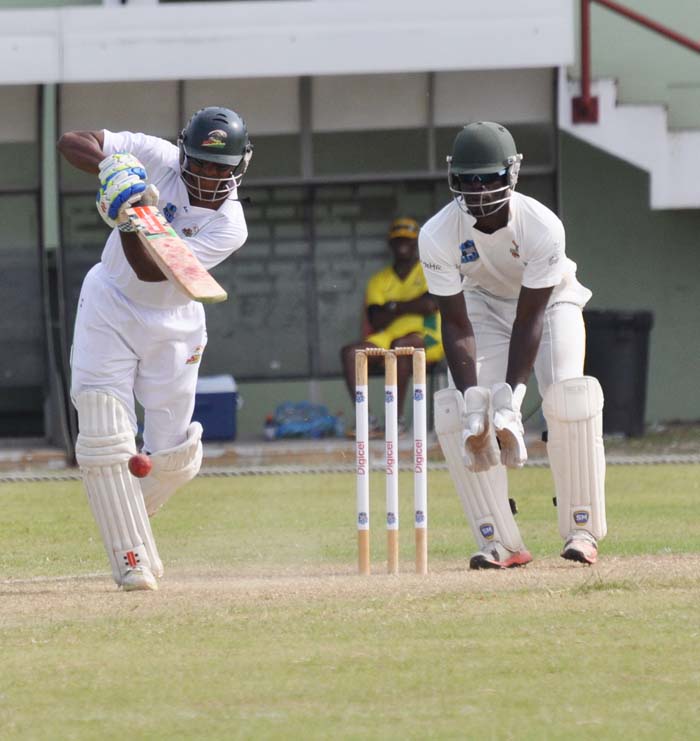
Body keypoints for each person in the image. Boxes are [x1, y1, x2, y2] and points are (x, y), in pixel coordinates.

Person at [57, 106, 252, 591]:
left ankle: (124, 513)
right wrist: (112, 170)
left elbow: (153, 270)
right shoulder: (158, 156)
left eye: (221, 168)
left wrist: (128, 216)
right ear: (183, 153)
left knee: (172, 458)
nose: (209, 176)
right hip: (110, 303)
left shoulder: (231, 224)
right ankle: (131, 560)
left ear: (239, 167)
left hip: (176, 320)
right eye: (201, 165)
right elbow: (71, 140)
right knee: (104, 432)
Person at [420, 121, 606, 569]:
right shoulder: (437, 234)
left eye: (489, 177)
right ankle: (500, 540)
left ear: (511, 174)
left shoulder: (542, 226)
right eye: (469, 179)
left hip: (548, 300)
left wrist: (514, 400)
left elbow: (530, 317)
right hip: (481, 304)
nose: (479, 190)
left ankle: (581, 528)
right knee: (459, 416)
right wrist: (475, 403)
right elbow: (456, 322)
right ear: (454, 179)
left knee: (568, 398)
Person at [340, 217, 444, 432]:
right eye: (397, 240)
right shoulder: (379, 280)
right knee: (352, 353)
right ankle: (367, 419)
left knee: (402, 347)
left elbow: (430, 304)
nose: (402, 244)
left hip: (429, 336)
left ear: (417, 243)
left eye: (408, 240)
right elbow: (376, 318)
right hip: (388, 337)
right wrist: (412, 304)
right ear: (390, 244)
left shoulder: (429, 270)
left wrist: (393, 306)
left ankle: (396, 419)